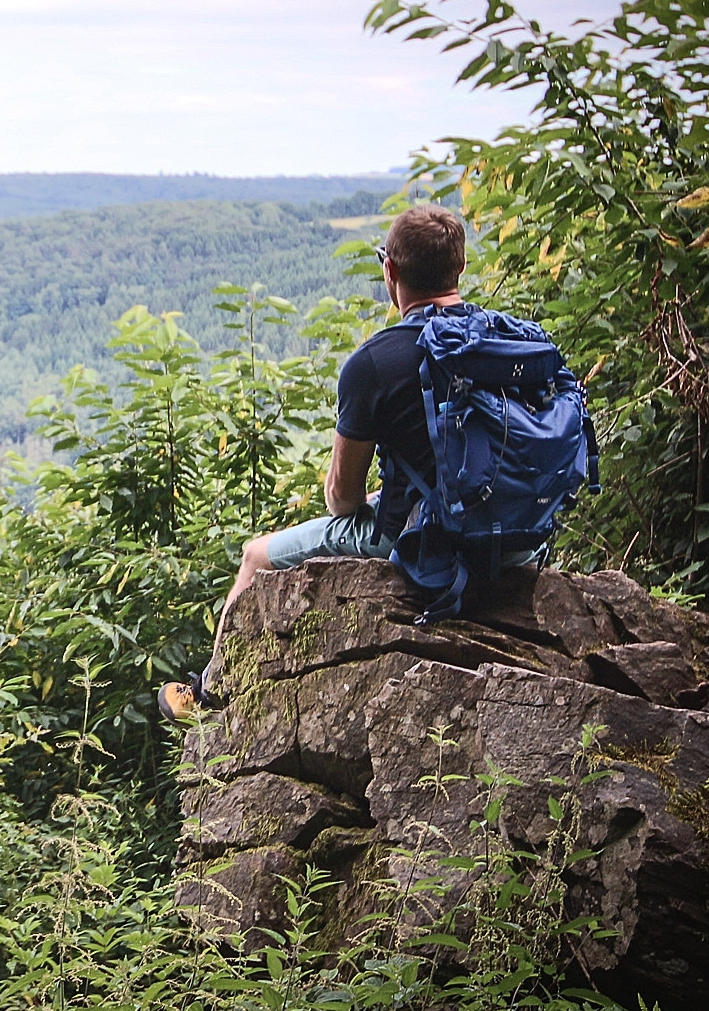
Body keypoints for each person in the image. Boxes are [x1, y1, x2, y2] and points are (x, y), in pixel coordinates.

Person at [159, 204, 474, 725]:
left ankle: (212, 695)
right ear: (459, 269)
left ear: (389, 271)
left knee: (256, 556)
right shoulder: (505, 340)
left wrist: (378, 497)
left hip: (429, 536)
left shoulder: (374, 363)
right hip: (517, 536)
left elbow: (342, 499)